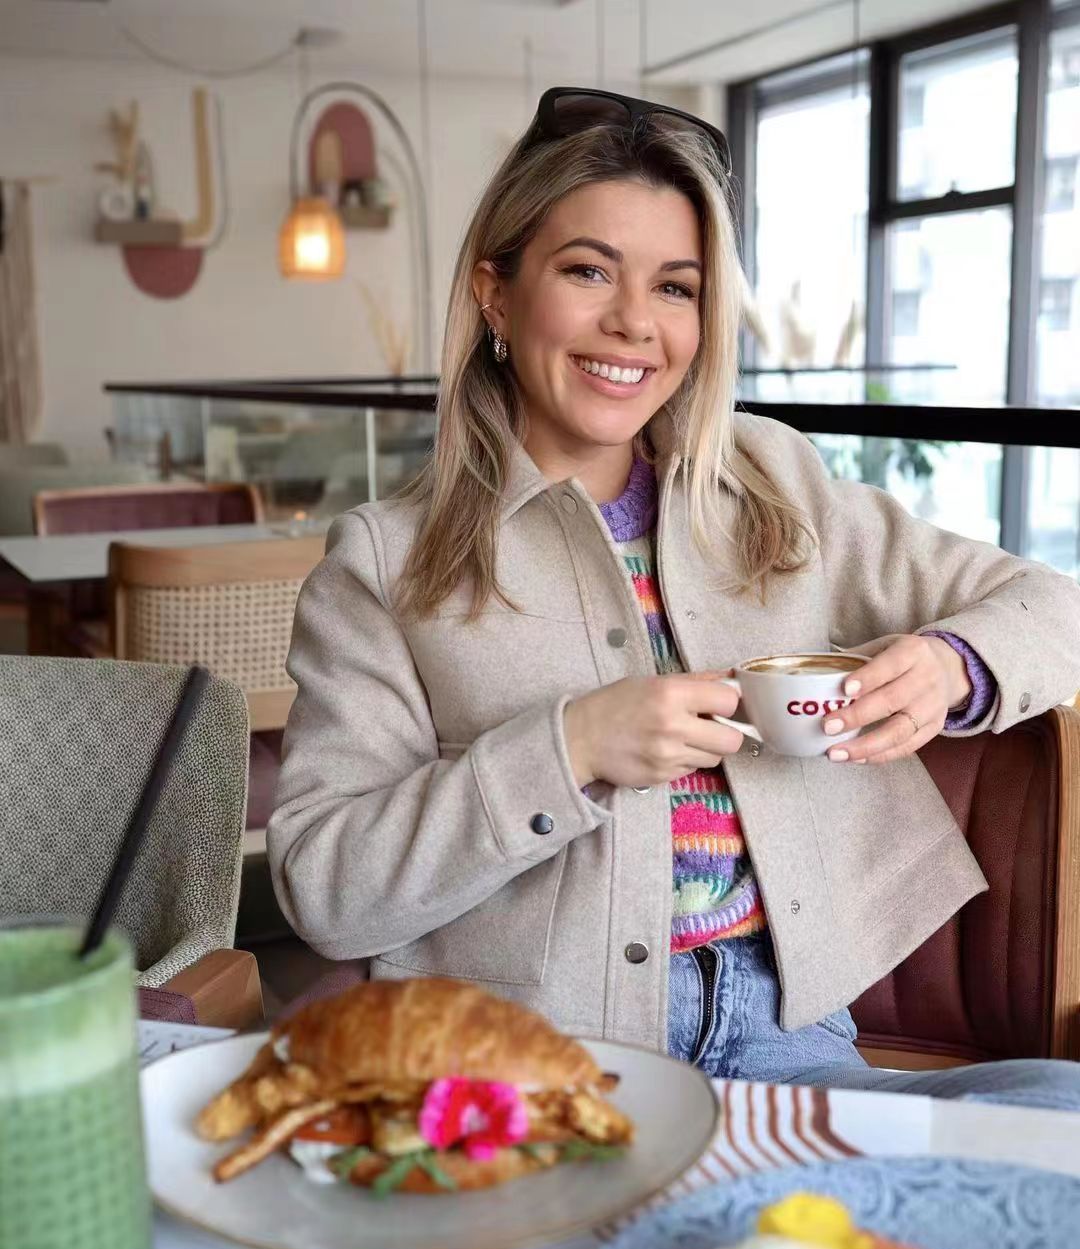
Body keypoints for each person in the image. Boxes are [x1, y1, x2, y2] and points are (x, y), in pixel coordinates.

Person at [268, 89, 1080, 1110]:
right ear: (495, 292)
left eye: (677, 287)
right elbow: (327, 889)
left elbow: (1055, 606)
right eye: (587, 270)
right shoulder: (384, 562)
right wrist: (565, 750)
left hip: (792, 1041)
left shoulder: (774, 483)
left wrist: (955, 667)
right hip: (540, 1071)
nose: (635, 325)